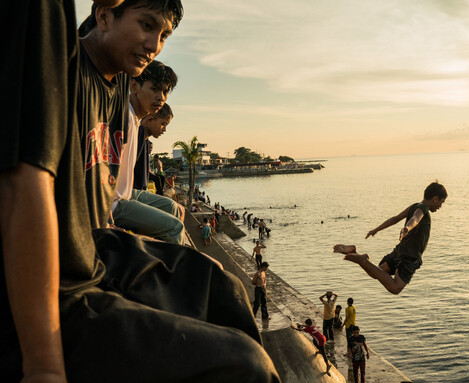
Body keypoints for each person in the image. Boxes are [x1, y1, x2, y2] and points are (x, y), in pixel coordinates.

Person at [0, 1, 280, 381]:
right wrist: (44, 367)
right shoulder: (61, 66)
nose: (154, 45)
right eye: (146, 25)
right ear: (103, 15)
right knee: (246, 365)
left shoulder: (116, 90)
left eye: (164, 35)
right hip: (63, 272)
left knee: (225, 287)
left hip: (99, 248)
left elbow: (101, 201)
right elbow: (22, 189)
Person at [110, 61, 185, 244]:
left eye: (165, 92)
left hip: (127, 194)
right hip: (114, 202)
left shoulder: (135, 121)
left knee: (173, 208)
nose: (161, 97)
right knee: (174, 227)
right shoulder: (125, 118)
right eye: (155, 89)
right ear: (134, 86)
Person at [334, 182, 447, 294]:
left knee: (377, 272)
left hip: (399, 251)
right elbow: (415, 219)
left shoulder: (414, 206)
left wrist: (376, 229)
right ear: (435, 199)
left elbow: (394, 219)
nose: (440, 206)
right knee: (395, 288)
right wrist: (407, 228)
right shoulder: (423, 209)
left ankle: (356, 254)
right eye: (441, 202)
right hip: (410, 256)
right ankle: (363, 260)